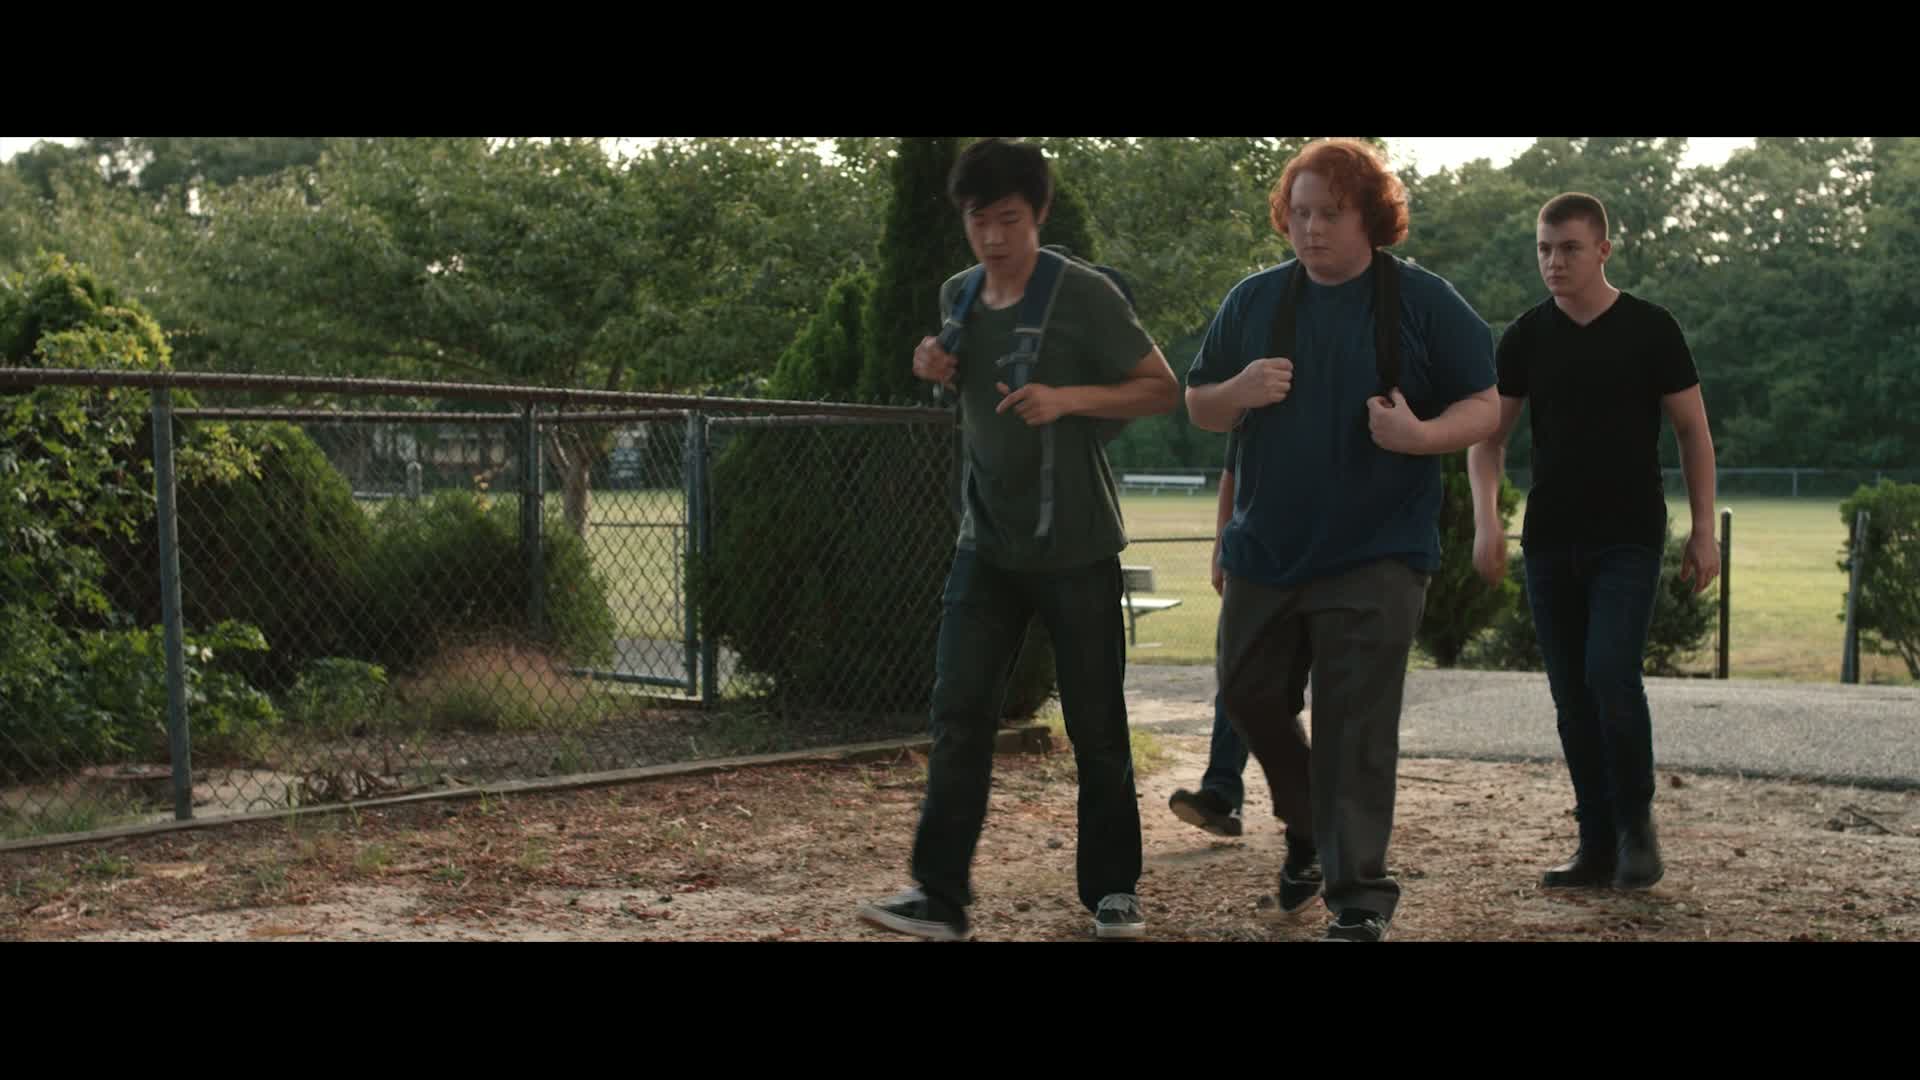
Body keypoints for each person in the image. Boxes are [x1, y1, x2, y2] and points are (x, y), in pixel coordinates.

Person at [857, 138, 1179, 941]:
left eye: (1009, 219)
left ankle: (1114, 892)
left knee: (1096, 726)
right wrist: (932, 362)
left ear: (1038, 213)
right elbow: (960, 385)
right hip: (987, 546)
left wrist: (1066, 398)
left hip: (1077, 549)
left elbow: (1161, 390)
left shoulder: (1084, 294)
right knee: (959, 714)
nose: (994, 237)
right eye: (979, 220)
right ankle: (940, 897)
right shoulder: (959, 295)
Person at [1185, 138, 1499, 941]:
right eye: (1299, 213)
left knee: (1354, 726)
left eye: (1330, 213)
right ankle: (1307, 828)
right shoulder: (1254, 300)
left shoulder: (1422, 300)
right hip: (1265, 550)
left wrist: (1421, 435)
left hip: (1377, 552)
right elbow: (1199, 404)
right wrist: (1237, 389)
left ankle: (1357, 896)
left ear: (1371, 217)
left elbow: (1488, 403)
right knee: (1247, 694)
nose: (1311, 229)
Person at [1466, 192, 1720, 892]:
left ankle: (1638, 830)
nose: (1554, 261)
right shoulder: (1526, 336)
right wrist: (1487, 520)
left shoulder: (1650, 329)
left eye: (1570, 248)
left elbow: (1693, 432)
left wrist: (1703, 530)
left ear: (1603, 250)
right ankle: (1597, 843)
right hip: (1551, 539)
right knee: (1571, 695)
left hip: (1628, 536)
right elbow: (1488, 439)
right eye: (1545, 249)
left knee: (1610, 673)